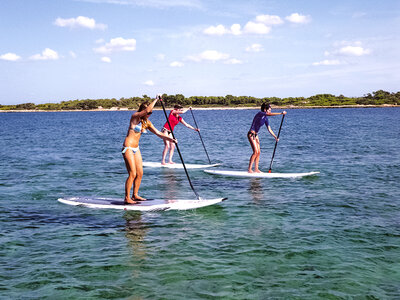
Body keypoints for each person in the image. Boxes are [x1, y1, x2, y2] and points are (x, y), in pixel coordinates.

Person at [122, 95, 177, 204]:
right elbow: (147, 109)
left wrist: (171, 139)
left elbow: (159, 133)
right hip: (127, 147)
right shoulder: (135, 117)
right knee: (132, 173)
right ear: (143, 111)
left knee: (140, 173)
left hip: (136, 149)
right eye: (148, 113)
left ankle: (135, 195)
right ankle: (127, 197)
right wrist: (156, 99)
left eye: (151, 113)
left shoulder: (147, 123)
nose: (149, 114)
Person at [248, 103, 287, 173]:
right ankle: (249, 169)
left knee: (259, 152)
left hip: (256, 135)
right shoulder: (260, 113)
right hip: (251, 134)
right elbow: (269, 114)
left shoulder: (266, 119)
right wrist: (280, 113)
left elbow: (269, 129)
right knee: (255, 152)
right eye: (269, 110)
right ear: (265, 109)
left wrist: (275, 137)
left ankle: (256, 169)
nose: (270, 111)